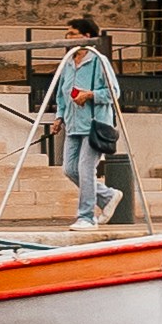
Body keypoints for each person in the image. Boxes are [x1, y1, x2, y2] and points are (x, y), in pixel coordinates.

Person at [47, 18, 123, 221]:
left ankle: (86, 216)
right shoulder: (68, 63)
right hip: (73, 126)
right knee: (70, 169)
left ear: (86, 36)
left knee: (85, 168)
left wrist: (90, 95)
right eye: (68, 34)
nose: (68, 38)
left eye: (72, 33)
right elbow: (62, 95)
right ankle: (107, 196)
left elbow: (114, 92)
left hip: (94, 125)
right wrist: (59, 117)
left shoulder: (99, 61)